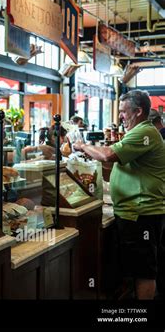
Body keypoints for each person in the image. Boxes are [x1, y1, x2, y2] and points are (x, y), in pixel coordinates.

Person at [73, 90, 165, 300]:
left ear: (138, 111)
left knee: (144, 272)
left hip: (142, 213)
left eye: (124, 112)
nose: (120, 116)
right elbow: (115, 159)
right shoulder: (140, 131)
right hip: (134, 212)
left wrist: (82, 145)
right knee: (138, 269)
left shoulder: (145, 132)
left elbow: (109, 155)